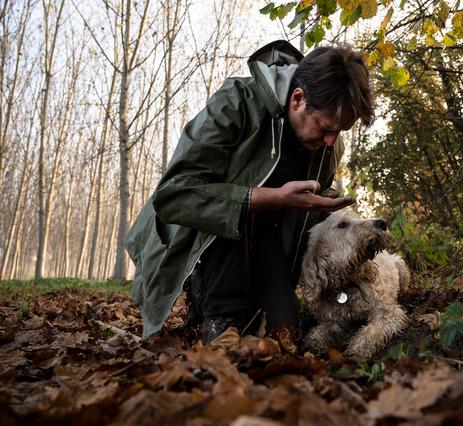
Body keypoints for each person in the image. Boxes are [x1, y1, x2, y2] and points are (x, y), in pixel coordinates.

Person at [126, 40, 374, 342]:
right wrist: (270, 197)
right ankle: (213, 305)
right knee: (229, 334)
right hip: (207, 235)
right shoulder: (236, 103)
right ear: (298, 99)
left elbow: (308, 225)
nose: (331, 142)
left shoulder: (328, 145)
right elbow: (175, 195)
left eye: (339, 132)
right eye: (325, 128)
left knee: (284, 331)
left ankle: (246, 304)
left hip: (266, 240)